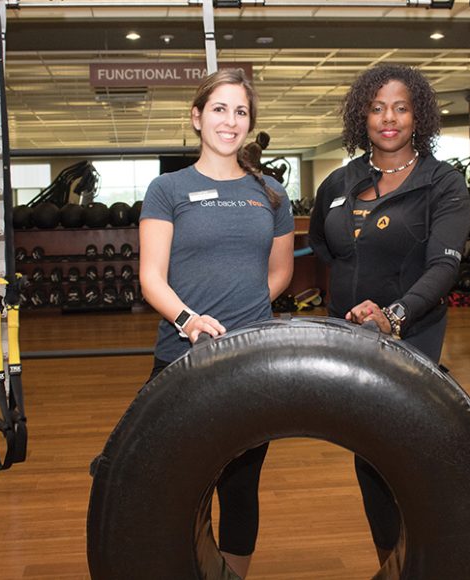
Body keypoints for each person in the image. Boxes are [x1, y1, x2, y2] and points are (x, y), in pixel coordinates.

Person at [308, 64, 470, 565]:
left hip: (410, 337)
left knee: (410, 457)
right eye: (377, 108)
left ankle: (428, 558)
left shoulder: (441, 183)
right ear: (363, 116)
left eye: (401, 107)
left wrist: (393, 314)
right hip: (350, 338)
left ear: (418, 114)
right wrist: (347, 313)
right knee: (370, 459)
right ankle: (392, 563)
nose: (389, 118)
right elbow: (325, 248)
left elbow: (444, 265)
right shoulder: (340, 180)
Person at [137, 68, 295, 579]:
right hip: (180, 358)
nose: (230, 121)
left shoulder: (270, 193)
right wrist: (190, 320)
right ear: (197, 117)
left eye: (241, 111)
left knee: (241, 487)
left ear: (250, 123)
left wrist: (244, 315)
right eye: (220, 109)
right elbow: (151, 278)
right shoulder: (167, 189)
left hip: (251, 360)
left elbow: (280, 272)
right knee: (175, 483)